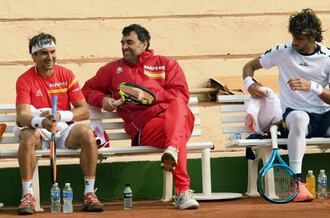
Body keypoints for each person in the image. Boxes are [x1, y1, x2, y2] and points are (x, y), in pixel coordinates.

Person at [242, 8, 330, 202]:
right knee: (300, 117)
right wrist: (250, 84)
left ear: (313, 36)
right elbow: (249, 67)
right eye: (293, 36)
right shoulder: (282, 52)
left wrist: (312, 87)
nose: (295, 42)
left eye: (300, 38)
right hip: (294, 116)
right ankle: (296, 183)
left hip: (324, 118)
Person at [82, 24, 199, 210]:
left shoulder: (167, 64)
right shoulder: (113, 70)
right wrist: (103, 99)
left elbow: (181, 95)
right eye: (122, 43)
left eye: (129, 42)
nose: (124, 47)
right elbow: (87, 89)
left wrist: (149, 95)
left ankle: (173, 152)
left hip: (174, 118)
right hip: (145, 128)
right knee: (178, 138)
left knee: (177, 106)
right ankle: (183, 189)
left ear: (144, 44)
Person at [15, 33, 104, 215]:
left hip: (62, 129)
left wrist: (60, 115)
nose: (50, 57)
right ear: (34, 57)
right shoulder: (24, 80)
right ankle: (27, 195)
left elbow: (84, 110)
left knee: (87, 134)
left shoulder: (67, 74)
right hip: (38, 130)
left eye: (52, 52)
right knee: (27, 136)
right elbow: (21, 116)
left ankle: (89, 194)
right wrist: (41, 121)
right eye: (43, 53)